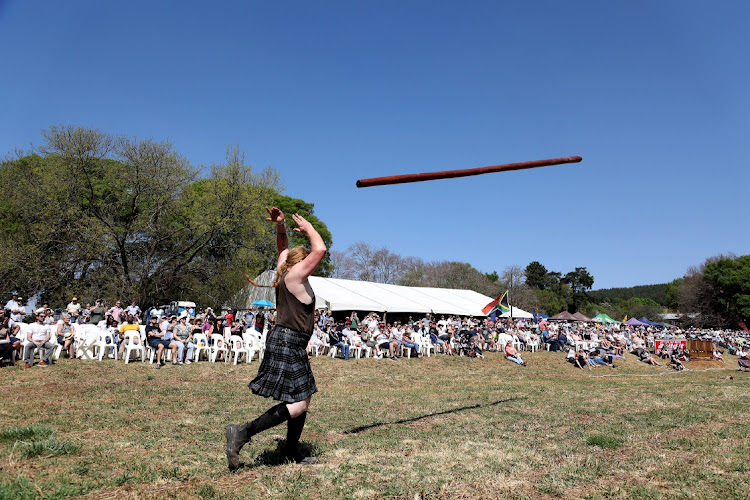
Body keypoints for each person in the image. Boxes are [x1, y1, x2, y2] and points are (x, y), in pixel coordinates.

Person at [225, 207, 326, 470]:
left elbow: (282, 248)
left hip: (288, 340)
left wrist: (280, 226)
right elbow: (321, 250)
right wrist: (309, 229)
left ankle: (290, 452)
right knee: (300, 402)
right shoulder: (295, 275)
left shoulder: (284, 269)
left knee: (301, 396)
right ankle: (242, 433)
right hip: (288, 340)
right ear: (301, 263)